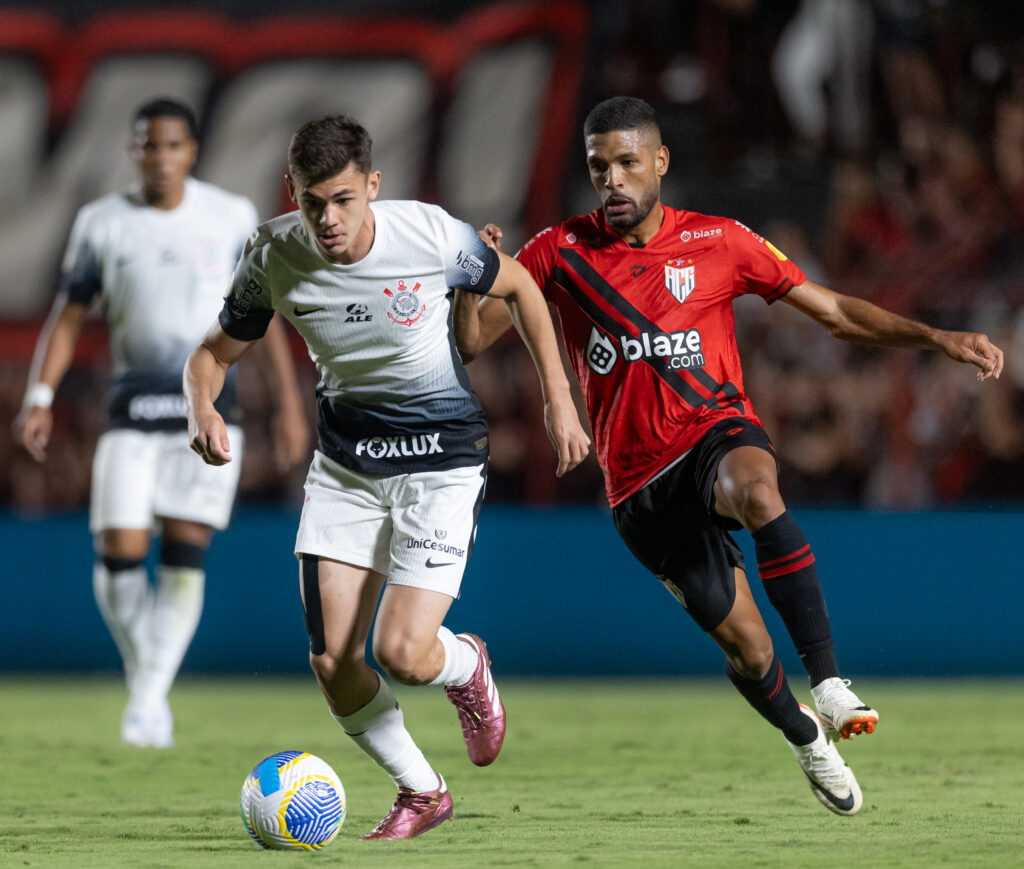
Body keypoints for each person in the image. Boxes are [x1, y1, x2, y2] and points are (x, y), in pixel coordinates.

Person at [454, 96, 1004, 816]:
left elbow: (834, 313)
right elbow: (473, 340)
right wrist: (474, 280)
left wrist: (936, 337)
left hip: (714, 430)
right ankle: (807, 737)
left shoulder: (719, 239)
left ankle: (831, 681)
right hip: (640, 488)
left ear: (660, 162)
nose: (613, 180)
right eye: (598, 167)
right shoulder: (558, 250)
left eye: (626, 163)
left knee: (757, 489)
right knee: (747, 650)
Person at [183, 115, 590, 839]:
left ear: (373, 186)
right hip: (347, 470)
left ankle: (464, 666)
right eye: (312, 202)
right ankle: (423, 790)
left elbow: (525, 289)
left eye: (343, 198)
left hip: (441, 463)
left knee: (403, 653)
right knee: (333, 659)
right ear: (293, 194)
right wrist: (202, 408)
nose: (328, 219)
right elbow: (210, 355)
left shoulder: (430, 234)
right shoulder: (273, 254)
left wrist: (561, 399)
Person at [14, 98, 309, 748]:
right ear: (133, 152)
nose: (160, 157)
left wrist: (290, 403)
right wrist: (40, 392)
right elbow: (67, 315)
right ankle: (150, 683)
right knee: (117, 554)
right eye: (149, 146)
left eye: (172, 145)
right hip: (129, 406)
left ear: (192, 151)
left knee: (183, 552)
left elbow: (268, 313)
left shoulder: (230, 217)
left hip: (207, 408)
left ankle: (146, 701)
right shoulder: (102, 222)